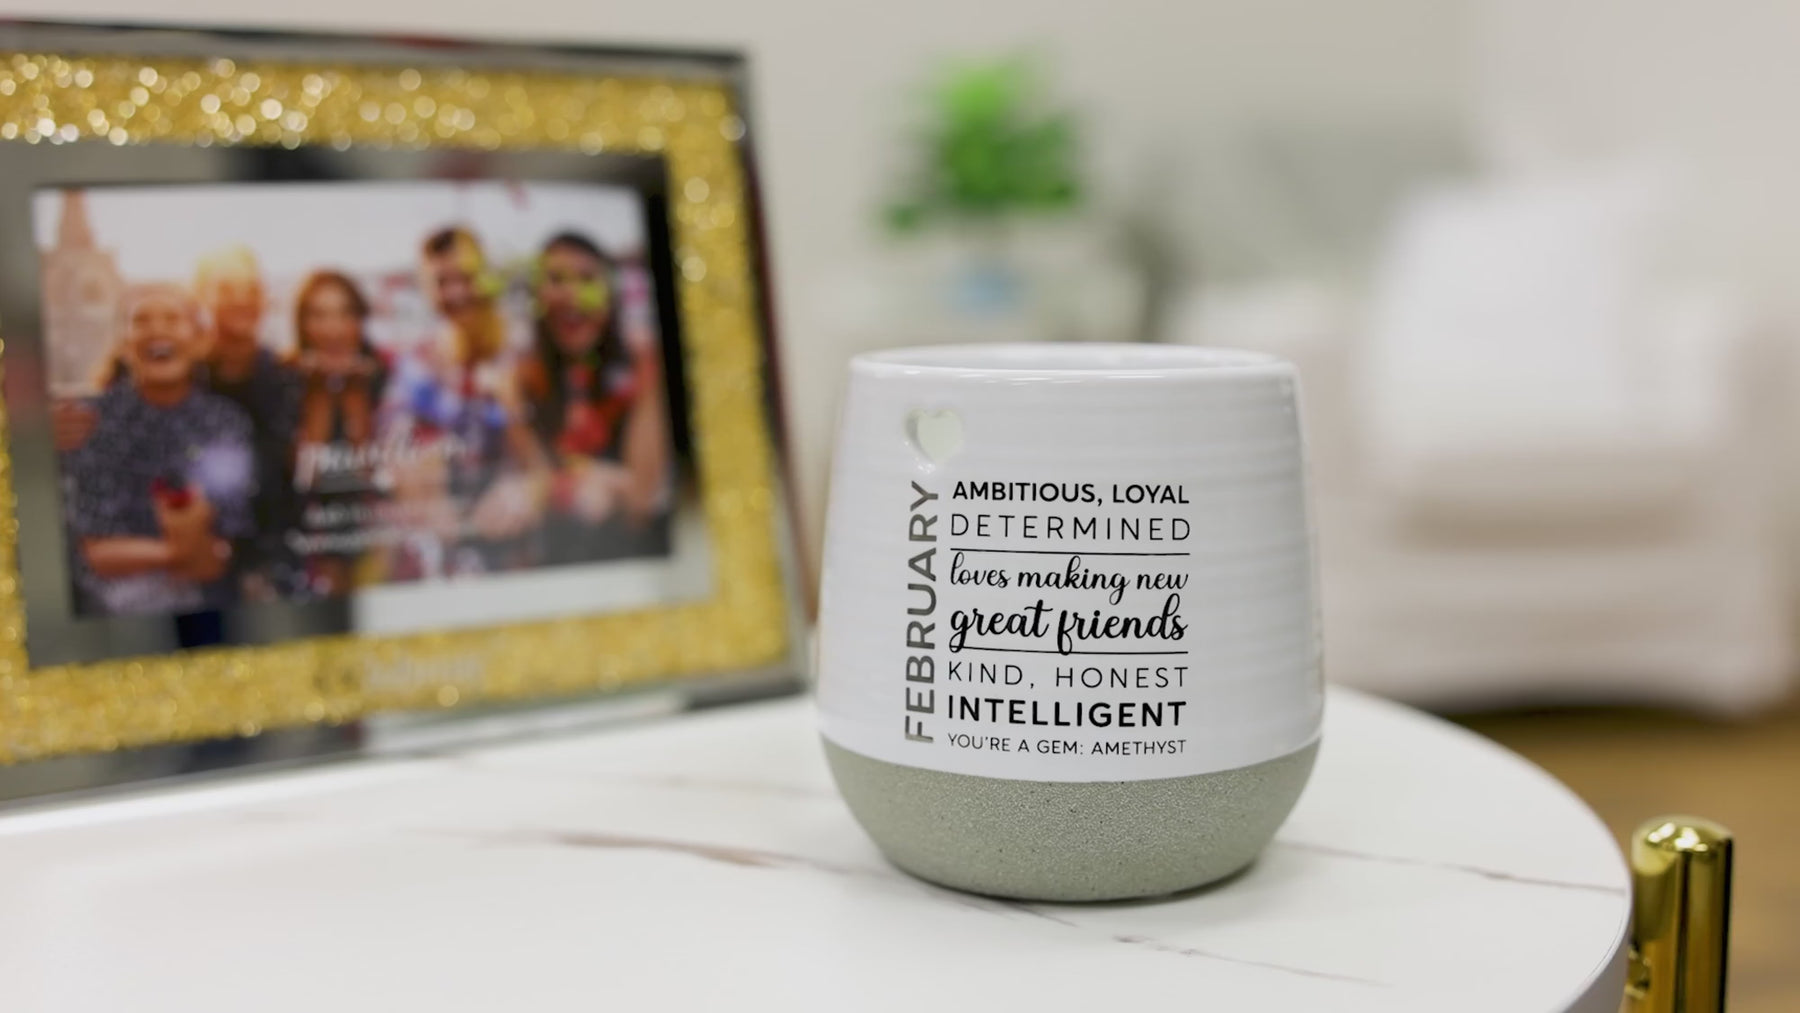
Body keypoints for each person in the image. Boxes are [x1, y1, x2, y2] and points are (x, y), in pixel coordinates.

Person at [63, 283, 255, 617]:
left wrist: (188, 547)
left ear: (199, 341)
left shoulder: (225, 422)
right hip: (110, 608)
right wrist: (178, 551)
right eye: (142, 321)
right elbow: (97, 553)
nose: (157, 330)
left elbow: (216, 557)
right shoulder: (91, 421)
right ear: (125, 345)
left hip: (206, 603)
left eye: (172, 319)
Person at [380, 226, 547, 580]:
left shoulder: (523, 355)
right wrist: (419, 487)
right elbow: (392, 451)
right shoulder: (416, 363)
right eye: (442, 281)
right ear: (426, 288)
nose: (456, 292)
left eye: (466, 277)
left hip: (511, 552)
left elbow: (547, 463)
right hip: (440, 556)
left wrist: (528, 489)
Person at [520, 232, 672, 564]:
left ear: (610, 294)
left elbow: (642, 498)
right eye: (556, 279)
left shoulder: (643, 363)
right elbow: (532, 480)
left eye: (587, 279)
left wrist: (601, 483)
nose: (571, 295)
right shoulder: (524, 377)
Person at [190, 246, 304, 598]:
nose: (241, 300)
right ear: (201, 296)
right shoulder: (183, 377)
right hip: (197, 554)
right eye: (226, 289)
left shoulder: (286, 374)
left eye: (251, 289)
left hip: (276, 553)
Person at [288, 270, 389, 597]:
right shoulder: (286, 379)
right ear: (302, 324)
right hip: (309, 545)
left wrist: (353, 394)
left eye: (345, 314)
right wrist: (319, 394)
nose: (333, 329)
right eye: (319, 315)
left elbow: (373, 473)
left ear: (360, 321)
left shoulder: (385, 374)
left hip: (378, 540)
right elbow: (305, 477)